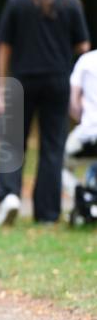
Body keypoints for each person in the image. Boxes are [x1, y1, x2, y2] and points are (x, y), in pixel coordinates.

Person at [0, 0, 91, 226]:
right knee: (52, 146)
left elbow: (5, 46)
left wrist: (2, 86)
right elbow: (83, 46)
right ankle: (47, 213)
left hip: (23, 79)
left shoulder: (17, 1)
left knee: (13, 142)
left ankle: (9, 197)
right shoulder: (70, 2)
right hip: (57, 81)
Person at [63, 48, 97, 203]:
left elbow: (73, 105)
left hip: (89, 134)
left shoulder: (86, 60)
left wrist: (83, 117)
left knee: (57, 162)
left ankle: (81, 196)